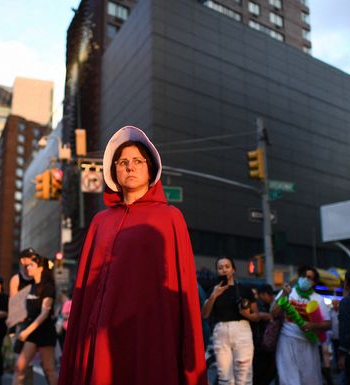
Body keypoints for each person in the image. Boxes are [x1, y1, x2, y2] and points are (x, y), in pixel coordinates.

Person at [58, 126, 207, 385]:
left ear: (150, 169)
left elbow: (183, 291)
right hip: (103, 336)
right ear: (113, 171)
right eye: (123, 162)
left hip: (151, 336)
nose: (130, 167)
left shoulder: (170, 218)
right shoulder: (99, 222)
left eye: (138, 161)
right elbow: (85, 293)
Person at [272, 265, 331, 385]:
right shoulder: (289, 292)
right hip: (287, 340)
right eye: (304, 276)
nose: (305, 279)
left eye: (309, 278)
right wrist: (283, 294)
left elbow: (328, 324)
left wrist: (312, 325)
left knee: (309, 380)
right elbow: (273, 313)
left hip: (308, 343)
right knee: (289, 380)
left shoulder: (318, 299)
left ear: (314, 282)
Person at [202, 257, 255, 385]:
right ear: (217, 271)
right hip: (221, 331)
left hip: (242, 329)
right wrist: (214, 295)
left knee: (244, 375)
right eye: (220, 268)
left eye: (227, 266)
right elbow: (204, 314)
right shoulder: (213, 290)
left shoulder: (244, 289)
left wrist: (247, 314)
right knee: (224, 377)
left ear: (233, 270)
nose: (224, 270)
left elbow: (256, 314)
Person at [14, 253, 57, 385]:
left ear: (40, 268)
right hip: (31, 333)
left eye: (32, 265)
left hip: (45, 332)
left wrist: (26, 332)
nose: (28, 267)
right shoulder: (32, 286)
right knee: (20, 367)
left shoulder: (48, 287)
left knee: (48, 369)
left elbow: (44, 314)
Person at [251, 284, 276, 385]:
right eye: (269, 295)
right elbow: (259, 316)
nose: (272, 297)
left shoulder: (266, 305)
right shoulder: (258, 305)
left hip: (262, 348)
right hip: (259, 349)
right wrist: (271, 316)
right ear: (262, 294)